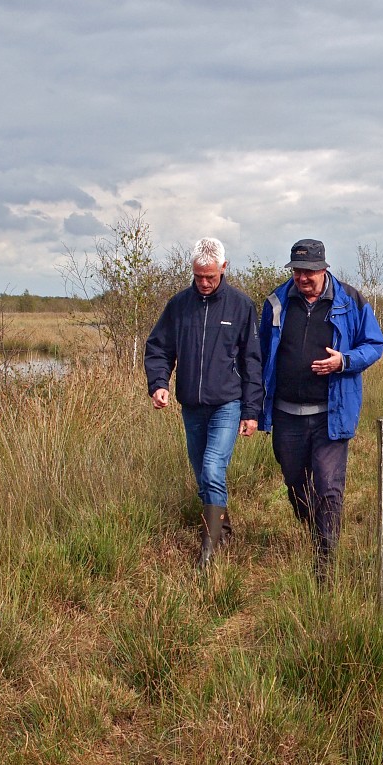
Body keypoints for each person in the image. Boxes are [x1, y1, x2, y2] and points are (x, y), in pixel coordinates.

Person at [258, 239, 383, 581]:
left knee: (328, 487)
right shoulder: (277, 302)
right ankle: (315, 530)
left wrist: (344, 361)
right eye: (297, 271)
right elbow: (261, 352)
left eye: (309, 272)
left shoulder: (350, 300)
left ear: (324, 269)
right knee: (294, 483)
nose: (303, 278)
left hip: (331, 412)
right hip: (286, 414)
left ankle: (325, 562)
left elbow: (375, 344)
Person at [144, 237, 263, 569]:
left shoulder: (241, 306)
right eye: (198, 276)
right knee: (203, 476)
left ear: (224, 268)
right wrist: (159, 384)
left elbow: (253, 362)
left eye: (210, 276)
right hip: (191, 405)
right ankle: (223, 531)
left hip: (228, 403)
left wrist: (251, 411)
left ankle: (208, 551)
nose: (205, 283)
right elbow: (158, 347)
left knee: (212, 468)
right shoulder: (179, 305)